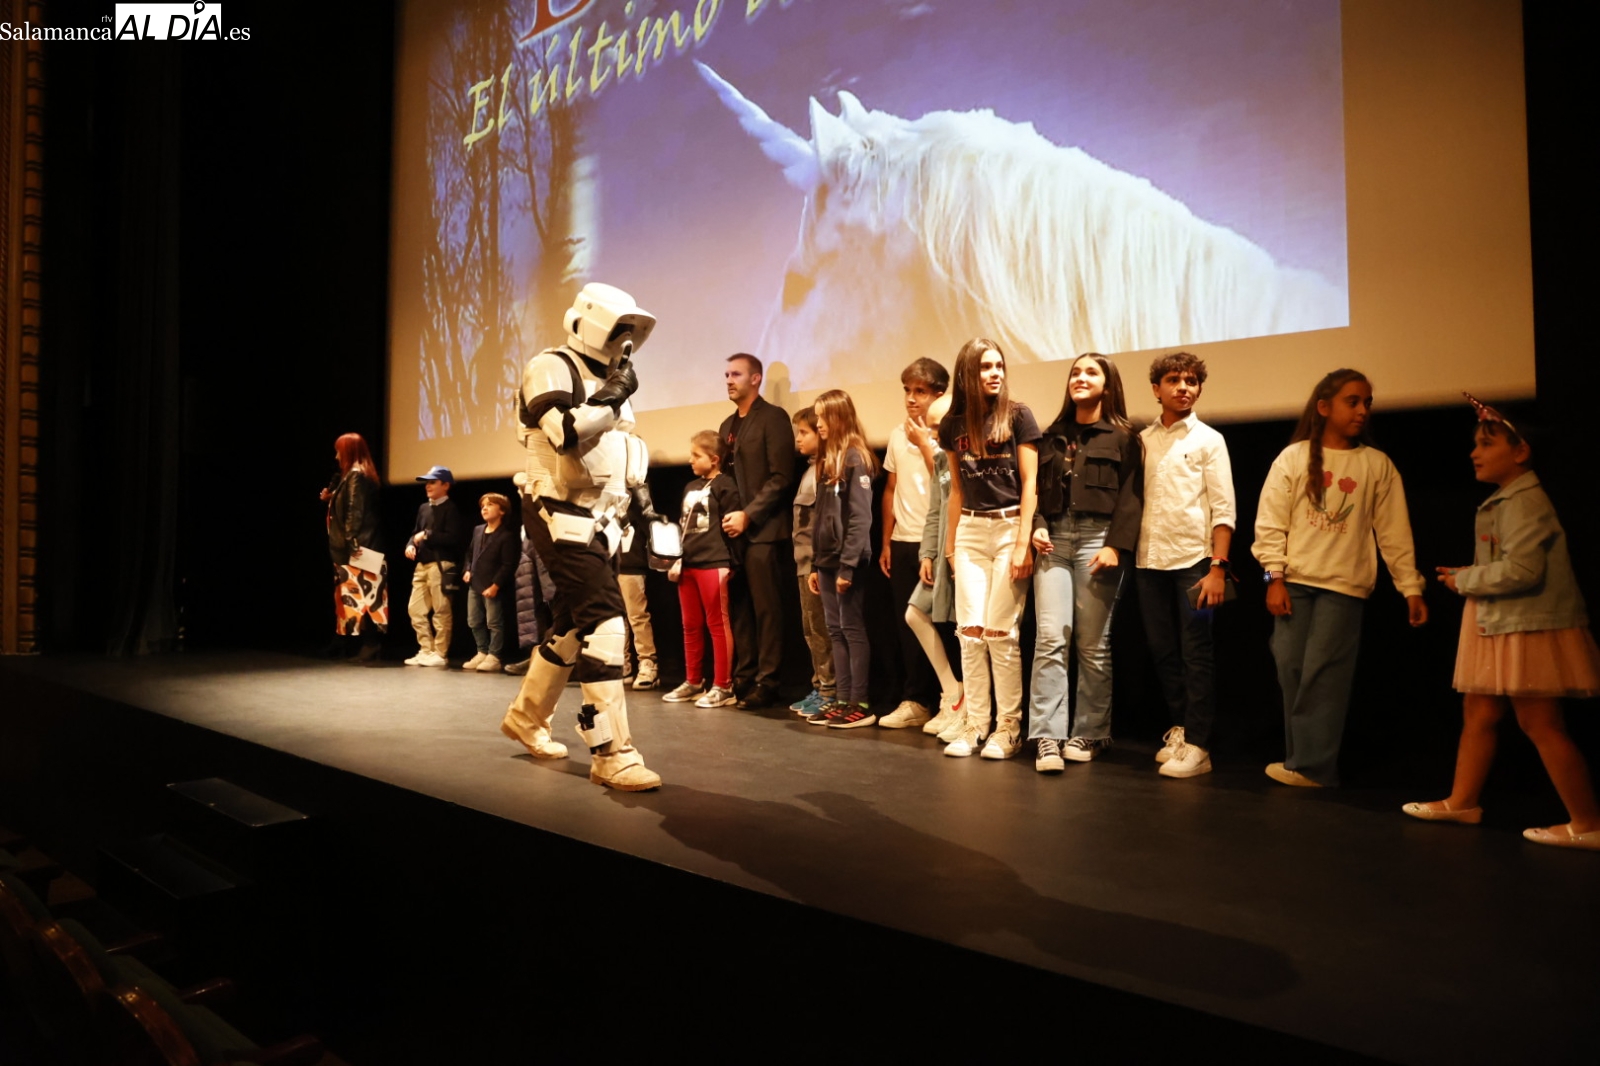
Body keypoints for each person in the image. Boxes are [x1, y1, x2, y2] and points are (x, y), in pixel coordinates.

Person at [1404, 398, 1600, 849]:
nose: (1475, 452)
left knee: (1540, 722)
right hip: (1501, 622)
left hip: (1525, 625)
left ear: (1521, 451)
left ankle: (1587, 820)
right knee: (1480, 711)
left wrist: (1467, 580)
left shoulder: (1526, 501)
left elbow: (1524, 571)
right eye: (1475, 443)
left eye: (1486, 443)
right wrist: (1467, 577)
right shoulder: (1506, 499)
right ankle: (1463, 801)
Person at [498, 282, 661, 791]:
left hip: (605, 520)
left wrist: (648, 512)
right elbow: (565, 433)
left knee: (573, 625)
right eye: (618, 328)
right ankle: (611, 753)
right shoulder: (550, 367)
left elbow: (624, 454)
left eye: (630, 332)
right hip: (558, 509)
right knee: (608, 625)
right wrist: (615, 394)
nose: (624, 340)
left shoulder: (613, 379)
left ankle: (526, 718)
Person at [1252, 369, 1428, 788]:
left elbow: (1394, 532)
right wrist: (1273, 577)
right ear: (1324, 407)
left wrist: (1411, 586)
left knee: (1324, 676)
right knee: (1291, 670)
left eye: (1367, 402)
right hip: (1295, 581)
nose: (1363, 410)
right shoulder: (1293, 458)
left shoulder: (1376, 464)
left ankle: (1315, 768)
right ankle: (1299, 760)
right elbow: (1270, 523)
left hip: (1343, 586)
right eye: (1353, 401)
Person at [1028, 353, 1142, 770]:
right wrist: (1037, 524)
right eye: (1075, 372)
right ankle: (1046, 736)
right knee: (1049, 637)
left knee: (1093, 644)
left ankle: (1092, 732)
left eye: (1091, 372)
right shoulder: (1051, 434)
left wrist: (1115, 545)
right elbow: (1035, 490)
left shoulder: (1125, 436)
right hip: (1053, 540)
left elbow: (1132, 498)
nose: (1080, 377)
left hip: (1098, 540)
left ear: (1108, 385)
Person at [1134, 352, 1237, 779]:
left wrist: (1218, 567)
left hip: (1194, 561)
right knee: (1163, 651)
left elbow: (1223, 508)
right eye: (1174, 379)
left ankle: (1199, 744)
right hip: (1148, 560)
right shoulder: (1141, 439)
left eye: (1191, 380)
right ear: (1156, 388)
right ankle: (1180, 729)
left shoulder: (1209, 440)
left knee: (1197, 653)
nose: (1183, 387)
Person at [939, 339, 1040, 758]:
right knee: (970, 633)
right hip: (970, 533)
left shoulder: (1018, 415)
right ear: (968, 373)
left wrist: (1022, 543)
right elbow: (957, 490)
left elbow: (1031, 483)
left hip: (1009, 527)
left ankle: (1008, 728)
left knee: (1001, 633)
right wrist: (950, 547)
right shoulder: (952, 426)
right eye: (985, 367)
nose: (995, 372)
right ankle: (976, 723)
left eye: (999, 365)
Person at [718, 353, 795, 709]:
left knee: (767, 610)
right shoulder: (727, 426)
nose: (729, 380)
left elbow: (781, 477)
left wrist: (749, 515)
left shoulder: (774, 418)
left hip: (765, 531)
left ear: (756, 379)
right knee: (741, 611)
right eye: (727, 374)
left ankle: (768, 681)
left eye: (736, 374)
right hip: (736, 535)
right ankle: (743, 678)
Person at [877, 358, 950, 730]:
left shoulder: (946, 436)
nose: (911, 398)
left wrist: (924, 441)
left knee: (940, 625)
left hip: (935, 543)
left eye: (920, 391)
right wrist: (887, 540)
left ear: (939, 394)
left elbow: (945, 480)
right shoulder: (894, 435)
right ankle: (915, 699)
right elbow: (890, 489)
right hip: (903, 541)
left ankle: (949, 701)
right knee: (906, 626)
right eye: (907, 390)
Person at [805, 390, 879, 728]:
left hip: (848, 562)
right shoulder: (827, 460)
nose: (818, 423)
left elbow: (860, 519)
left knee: (851, 628)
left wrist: (847, 566)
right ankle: (841, 699)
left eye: (822, 417)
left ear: (838, 418)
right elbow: (820, 517)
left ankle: (860, 702)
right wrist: (815, 563)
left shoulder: (854, 458)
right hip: (826, 561)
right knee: (835, 630)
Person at [662, 430, 743, 709]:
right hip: (688, 564)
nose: (690, 459)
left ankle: (723, 685)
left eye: (697, 455)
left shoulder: (726, 486)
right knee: (690, 625)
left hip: (714, 562)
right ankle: (694, 681)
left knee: (717, 625)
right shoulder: (690, 487)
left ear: (715, 459)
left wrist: (731, 562)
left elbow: (733, 529)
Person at [913, 389, 966, 739]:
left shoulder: (960, 457)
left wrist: (952, 552)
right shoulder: (942, 460)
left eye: (936, 428)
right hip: (942, 551)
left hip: (965, 551)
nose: (932, 435)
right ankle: (953, 692)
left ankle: (970, 707)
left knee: (967, 631)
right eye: (930, 429)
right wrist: (927, 553)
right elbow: (936, 510)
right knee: (914, 612)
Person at [788, 407, 837, 717]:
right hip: (802, 562)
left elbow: (823, 523)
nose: (798, 439)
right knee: (810, 630)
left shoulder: (826, 470)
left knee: (822, 629)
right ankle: (820, 685)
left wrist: (818, 564)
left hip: (816, 564)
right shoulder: (809, 469)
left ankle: (830, 690)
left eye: (804, 432)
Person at [324, 432, 387, 664]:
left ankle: (371, 645)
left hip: (360, 547)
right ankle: (362, 645)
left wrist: (351, 543)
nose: (336, 455)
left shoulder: (357, 475)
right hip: (360, 545)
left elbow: (355, 511)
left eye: (339, 450)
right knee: (358, 596)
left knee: (365, 597)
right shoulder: (353, 475)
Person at [404, 466, 467, 667]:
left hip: (441, 565)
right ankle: (425, 650)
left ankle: (440, 653)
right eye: (427, 482)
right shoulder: (424, 508)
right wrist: (410, 545)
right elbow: (415, 533)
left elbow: (454, 538)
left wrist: (428, 535)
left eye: (433, 482)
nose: (428, 486)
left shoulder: (451, 509)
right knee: (415, 609)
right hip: (422, 565)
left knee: (441, 610)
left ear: (446, 485)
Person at [462, 493, 519, 673]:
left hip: (492, 586)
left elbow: (508, 565)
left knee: (493, 622)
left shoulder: (506, 535)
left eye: (490, 505)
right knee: (473, 620)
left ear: (502, 511)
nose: (484, 508)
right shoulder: (478, 530)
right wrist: (468, 569)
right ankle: (482, 651)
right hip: (475, 583)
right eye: (482, 506)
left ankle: (494, 656)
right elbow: (470, 554)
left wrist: (495, 585)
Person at [618, 471, 662, 691]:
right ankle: (622, 665)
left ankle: (648, 664)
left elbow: (649, 523)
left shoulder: (638, 501)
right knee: (616, 619)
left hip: (631, 565)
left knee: (636, 615)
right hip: (610, 565)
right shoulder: (607, 500)